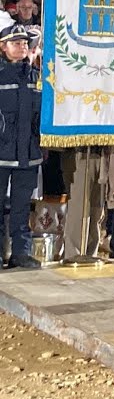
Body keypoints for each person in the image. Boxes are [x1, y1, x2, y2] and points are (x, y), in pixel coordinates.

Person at [0, 25, 42, 269]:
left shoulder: (35, 76)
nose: (22, 47)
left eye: (25, 43)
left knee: (21, 207)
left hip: (28, 153)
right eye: (16, 43)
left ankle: (20, 252)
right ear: (3, 47)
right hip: (2, 152)